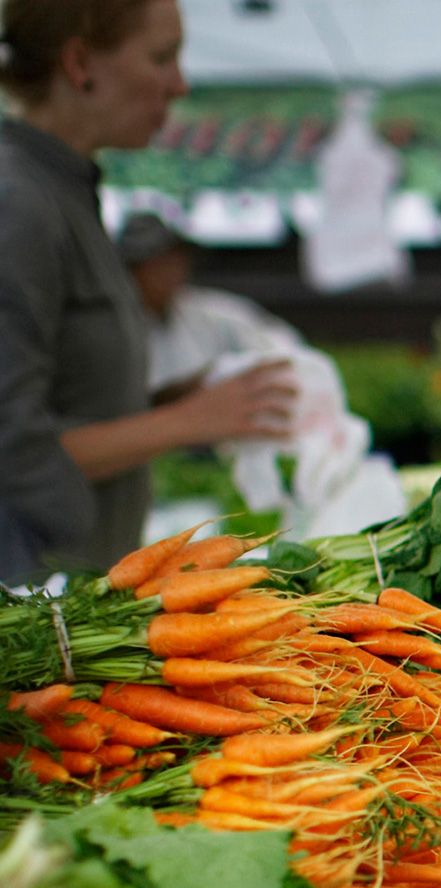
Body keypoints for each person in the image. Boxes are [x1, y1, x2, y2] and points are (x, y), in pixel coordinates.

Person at [0, 0, 291, 581]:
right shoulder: (18, 201)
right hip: (28, 619)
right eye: (162, 57)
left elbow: (69, 403)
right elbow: (12, 444)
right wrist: (188, 422)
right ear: (81, 63)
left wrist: (173, 400)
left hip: (73, 602)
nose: (179, 84)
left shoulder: (65, 190)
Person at [119, 210, 303, 391]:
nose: (170, 272)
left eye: (175, 260)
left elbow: (280, 343)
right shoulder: (116, 326)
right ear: (131, 271)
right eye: (156, 264)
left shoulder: (207, 312)